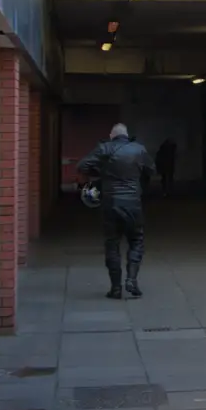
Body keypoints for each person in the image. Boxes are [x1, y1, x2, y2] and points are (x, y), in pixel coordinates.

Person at [77, 123, 152, 299]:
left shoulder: (104, 148)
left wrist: (101, 172)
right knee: (136, 241)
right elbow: (150, 170)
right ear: (127, 135)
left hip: (111, 204)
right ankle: (132, 280)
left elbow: (82, 165)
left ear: (112, 135)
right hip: (133, 203)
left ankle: (116, 288)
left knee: (112, 244)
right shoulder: (139, 150)